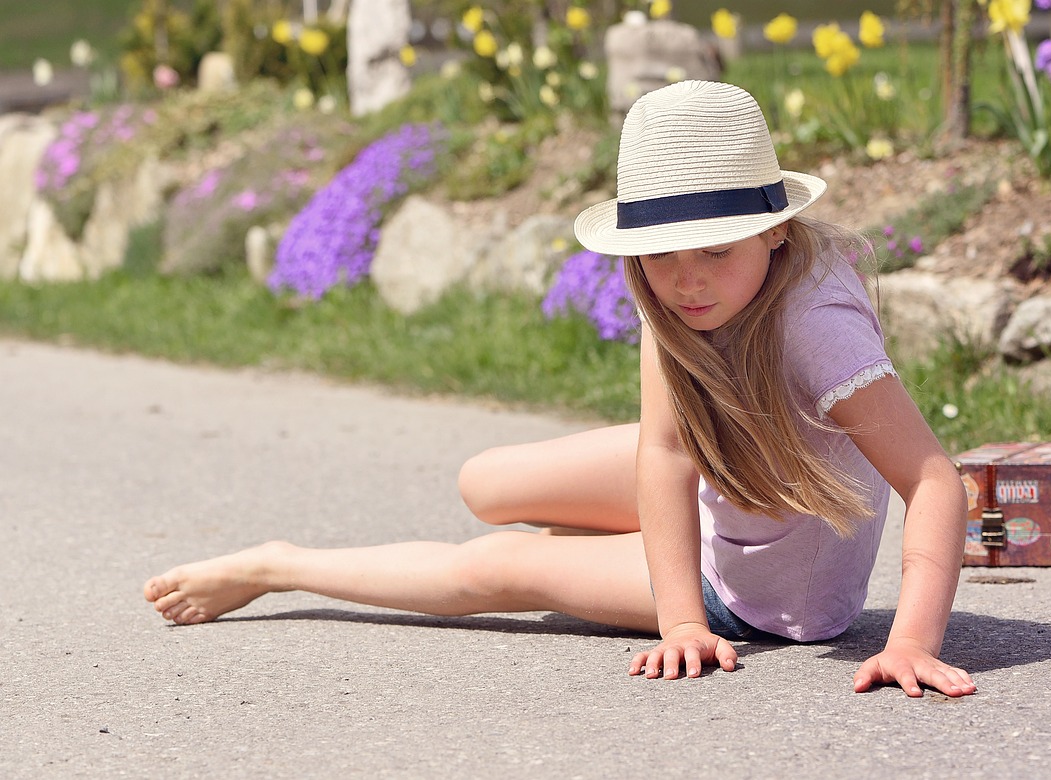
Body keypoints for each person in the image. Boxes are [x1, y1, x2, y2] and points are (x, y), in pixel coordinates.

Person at [144, 81, 976, 698]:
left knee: (492, 567)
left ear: (774, 231)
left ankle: (280, 565)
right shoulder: (686, 294)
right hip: (732, 478)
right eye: (662, 252)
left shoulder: (816, 327)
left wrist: (698, 619)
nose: (687, 280)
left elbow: (934, 478)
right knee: (486, 481)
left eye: (714, 250)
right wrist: (669, 599)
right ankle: (608, 550)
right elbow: (663, 449)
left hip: (759, 585)